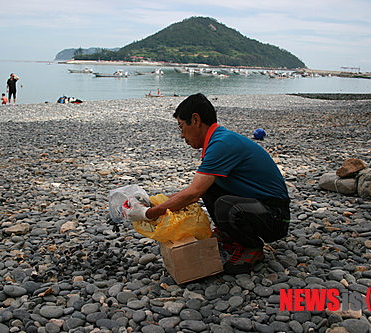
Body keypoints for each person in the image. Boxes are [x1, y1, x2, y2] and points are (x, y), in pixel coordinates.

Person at [122, 93, 290, 274]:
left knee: (226, 206)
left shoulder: (222, 144)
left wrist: (149, 213)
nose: (181, 135)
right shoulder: (218, 140)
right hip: (260, 209)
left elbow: (193, 194)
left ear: (195, 120)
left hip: (275, 218)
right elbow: (197, 190)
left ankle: (251, 247)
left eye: (181, 126)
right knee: (210, 188)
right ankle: (229, 234)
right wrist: (152, 201)